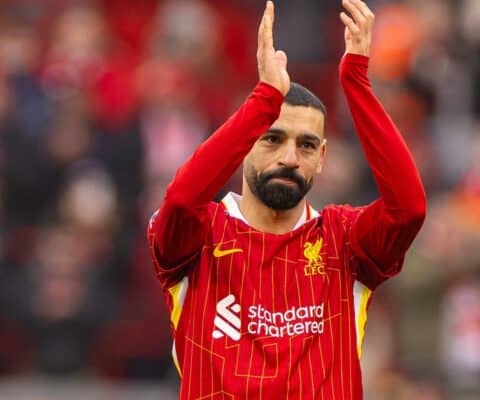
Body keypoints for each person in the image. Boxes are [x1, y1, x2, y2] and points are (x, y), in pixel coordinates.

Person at [147, 0, 426, 398]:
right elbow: (179, 201)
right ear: (244, 141)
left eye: (307, 145)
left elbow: (409, 208)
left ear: (322, 157)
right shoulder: (201, 234)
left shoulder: (344, 240)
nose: (290, 158)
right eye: (273, 138)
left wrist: (356, 84)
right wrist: (263, 102)